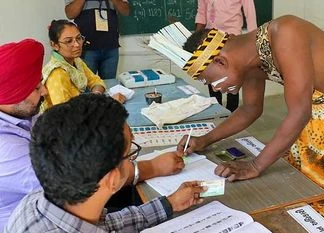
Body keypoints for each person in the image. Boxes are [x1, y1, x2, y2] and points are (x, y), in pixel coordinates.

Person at [158, 15, 324, 232]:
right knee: (311, 195)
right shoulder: (251, 58)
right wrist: (204, 139)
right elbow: (250, 109)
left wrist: (255, 166)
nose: (215, 88)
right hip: (320, 120)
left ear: (220, 60)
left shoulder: (286, 34)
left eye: (209, 80)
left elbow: (299, 113)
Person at [4, 94, 206, 233]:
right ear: (113, 178)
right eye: (130, 154)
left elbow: (109, 225)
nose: (132, 160)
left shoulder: (38, 202)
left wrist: (169, 203)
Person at [0, 39, 47, 233]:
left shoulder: (23, 114)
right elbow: (71, 184)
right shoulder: (5, 147)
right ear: (12, 95)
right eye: (36, 88)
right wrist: (145, 168)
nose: (45, 91)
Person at [41, 19, 126, 112]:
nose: (77, 45)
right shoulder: (57, 74)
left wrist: (96, 96)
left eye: (78, 38)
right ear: (55, 45)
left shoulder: (76, 61)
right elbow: (67, 117)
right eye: (69, 41)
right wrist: (109, 103)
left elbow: (95, 80)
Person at [195, 0, 257, 112]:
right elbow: (201, 12)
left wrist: (253, 39)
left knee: (232, 76)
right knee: (212, 76)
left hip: (232, 36)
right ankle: (216, 111)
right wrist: (196, 38)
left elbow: (250, 12)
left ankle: (232, 113)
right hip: (211, 37)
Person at [65, 0, 129, 80]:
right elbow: (70, 14)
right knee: (86, 86)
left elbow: (125, 11)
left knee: (109, 86)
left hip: (110, 47)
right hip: (86, 49)